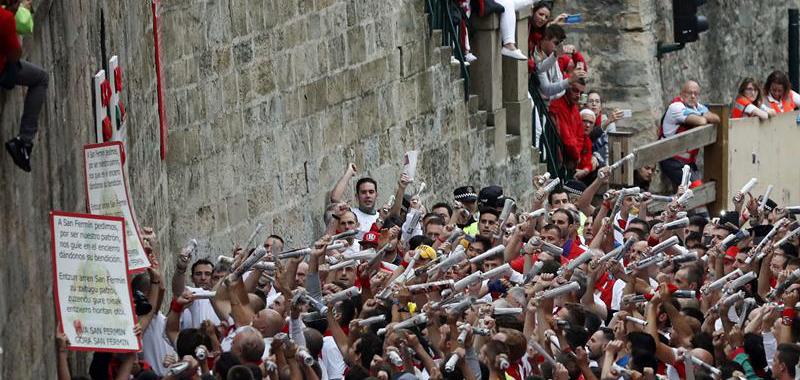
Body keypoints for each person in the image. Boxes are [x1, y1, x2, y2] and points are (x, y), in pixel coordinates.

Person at [1, 1, 48, 172]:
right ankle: (24, 141)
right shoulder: (4, 18)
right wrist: (14, 16)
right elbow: (15, 53)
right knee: (41, 78)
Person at [658, 80, 720, 189]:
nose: (692, 96)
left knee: (695, 192)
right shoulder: (675, 107)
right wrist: (702, 115)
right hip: (672, 159)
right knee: (697, 190)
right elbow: (701, 121)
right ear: (682, 94)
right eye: (689, 93)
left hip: (688, 162)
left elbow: (716, 118)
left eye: (695, 94)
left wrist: (700, 113)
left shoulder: (696, 106)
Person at [549, 79, 592, 176]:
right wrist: (576, 155)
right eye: (575, 91)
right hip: (562, 158)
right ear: (567, 88)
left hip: (572, 159)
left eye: (581, 93)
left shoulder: (575, 109)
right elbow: (566, 137)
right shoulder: (558, 105)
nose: (578, 95)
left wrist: (577, 155)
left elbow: (580, 135)